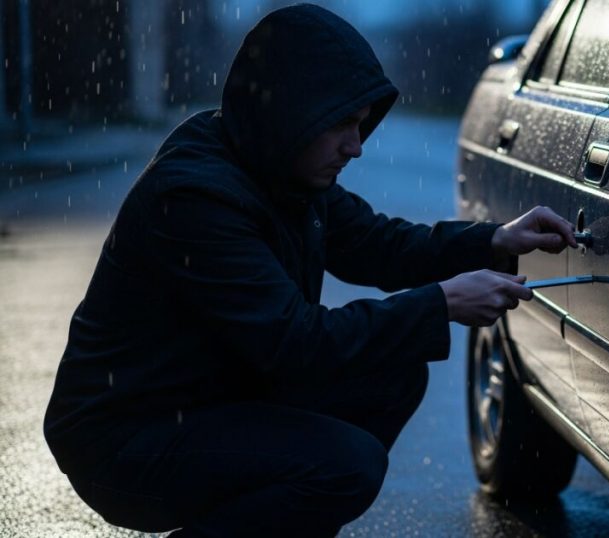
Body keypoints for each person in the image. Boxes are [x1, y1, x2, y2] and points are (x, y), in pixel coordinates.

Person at [42, 5, 575, 537]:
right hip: (125, 436)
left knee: (393, 372)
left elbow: (379, 244)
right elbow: (293, 344)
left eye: (361, 125)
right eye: (342, 124)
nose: (356, 146)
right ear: (294, 113)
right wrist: (441, 303)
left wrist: (496, 239)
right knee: (345, 466)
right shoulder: (196, 198)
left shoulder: (280, 168)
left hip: (204, 396)